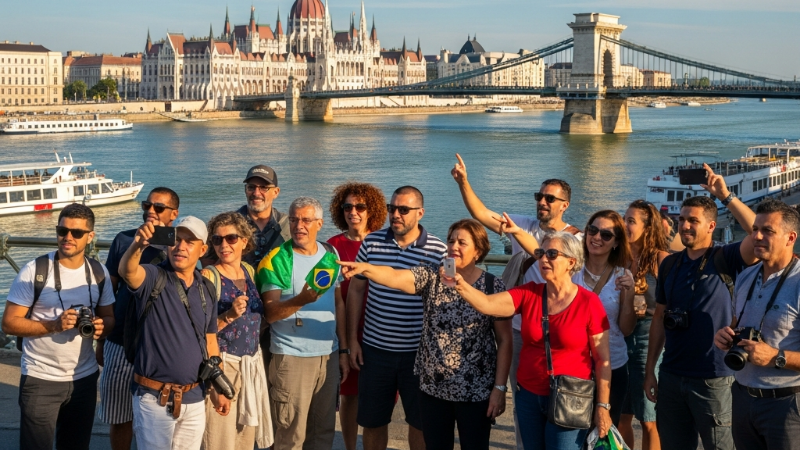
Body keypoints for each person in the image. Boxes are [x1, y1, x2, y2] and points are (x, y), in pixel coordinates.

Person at [339, 219, 512, 450]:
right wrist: (365, 268)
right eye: (451, 241)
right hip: (433, 389)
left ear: (478, 251)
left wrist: (499, 388)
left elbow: (504, 340)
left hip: (475, 390)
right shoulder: (432, 276)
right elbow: (396, 276)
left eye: (462, 242)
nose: (453, 247)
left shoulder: (492, 286)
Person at [451, 153, 581, 449]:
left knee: (562, 401)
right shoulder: (522, 223)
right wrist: (463, 183)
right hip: (523, 328)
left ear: (564, 205)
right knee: (524, 401)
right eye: (539, 196)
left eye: (550, 198)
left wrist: (519, 234)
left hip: (560, 330)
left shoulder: (575, 238)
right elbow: (481, 213)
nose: (542, 202)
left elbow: (541, 253)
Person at [449, 231, 612, 449]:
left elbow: (602, 360)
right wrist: (460, 285)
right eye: (540, 253)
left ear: (571, 262)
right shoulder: (529, 293)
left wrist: (602, 406)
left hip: (571, 397)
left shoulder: (589, 302)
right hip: (528, 396)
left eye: (552, 254)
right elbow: (488, 304)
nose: (543, 259)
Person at [644, 164, 758, 450]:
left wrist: (725, 196)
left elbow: (757, 233)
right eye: (681, 219)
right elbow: (659, 318)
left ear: (711, 226)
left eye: (693, 220)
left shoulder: (726, 257)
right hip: (671, 375)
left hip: (714, 379)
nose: (684, 226)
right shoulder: (670, 263)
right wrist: (649, 370)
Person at [2, 203, 115, 450]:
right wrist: (54, 325)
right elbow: (9, 322)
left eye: (77, 233)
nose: (68, 237)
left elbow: (109, 318)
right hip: (40, 378)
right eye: (62, 231)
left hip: (84, 379)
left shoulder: (99, 272)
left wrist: (100, 327)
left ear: (90, 236)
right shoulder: (35, 270)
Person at [346, 186, 447, 450]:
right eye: (392, 209)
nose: (395, 215)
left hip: (419, 353)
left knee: (421, 424)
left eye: (403, 209)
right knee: (372, 422)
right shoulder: (371, 242)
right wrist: (352, 341)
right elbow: (356, 290)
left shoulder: (438, 251)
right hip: (375, 351)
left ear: (420, 213)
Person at [119, 216, 230, 450]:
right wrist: (138, 245)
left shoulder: (207, 288)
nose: (181, 246)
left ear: (203, 250)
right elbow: (128, 272)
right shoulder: (154, 276)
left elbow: (210, 340)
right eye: (177, 240)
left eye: (190, 242)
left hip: (194, 396)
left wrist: (217, 387)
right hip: (154, 397)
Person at [258, 197, 349, 450]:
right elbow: (270, 313)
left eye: (306, 220)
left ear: (319, 223)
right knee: (290, 436)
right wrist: (301, 300)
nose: (299, 226)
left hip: (328, 355)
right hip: (291, 357)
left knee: (323, 432)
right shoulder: (277, 259)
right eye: (294, 219)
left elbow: (338, 303)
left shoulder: (330, 254)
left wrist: (343, 350)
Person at [714, 199, 800, 450]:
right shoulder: (746, 276)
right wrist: (725, 336)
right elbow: (736, 324)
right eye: (755, 230)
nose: (757, 237)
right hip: (742, 397)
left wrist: (776, 357)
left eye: (767, 231)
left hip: (786, 404)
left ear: (790, 237)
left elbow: (774, 355)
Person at [98, 187, 179, 450]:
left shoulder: (179, 245)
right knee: (120, 415)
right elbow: (108, 292)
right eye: (147, 205)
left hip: (160, 343)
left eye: (159, 207)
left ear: (174, 214)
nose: (150, 211)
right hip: (120, 339)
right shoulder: (124, 239)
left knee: (159, 416)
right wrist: (102, 339)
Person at [201, 212, 273, 450]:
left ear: (244, 241)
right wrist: (229, 315)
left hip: (250, 364)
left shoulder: (249, 271)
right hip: (224, 366)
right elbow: (200, 330)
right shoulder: (209, 276)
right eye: (217, 239)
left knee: (244, 441)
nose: (224, 245)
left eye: (231, 238)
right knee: (219, 441)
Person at [326, 182, 387, 450]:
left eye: (360, 206)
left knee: (381, 397)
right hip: (346, 329)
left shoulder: (384, 243)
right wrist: (345, 343)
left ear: (371, 210)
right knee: (349, 396)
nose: (353, 212)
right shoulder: (332, 247)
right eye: (347, 206)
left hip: (380, 330)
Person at [573, 210, 636, 426]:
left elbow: (626, 329)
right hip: (575, 365)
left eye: (606, 235)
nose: (597, 237)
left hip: (613, 365)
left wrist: (629, 295)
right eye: (593, 230)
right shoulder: (571, 272)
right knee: (572, 433)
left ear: (616, 242)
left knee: (604, 432)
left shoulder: (622, 276)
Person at [618, 200, 669, 450]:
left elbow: (671, 304)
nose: (624, 224)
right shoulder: (619, 258)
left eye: (631, 221)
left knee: (649, 418)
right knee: (621, 415)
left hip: (649, 337)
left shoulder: (661, 260)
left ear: (647, 228)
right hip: (621, 335)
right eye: (623, 219)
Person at [237, 164, 291, 266]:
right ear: (245, 190)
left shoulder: (288, 225)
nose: (256, 193)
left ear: (276, 192)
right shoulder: (231, 223)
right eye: (251, 187)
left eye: (263, 187)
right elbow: (210, 260)